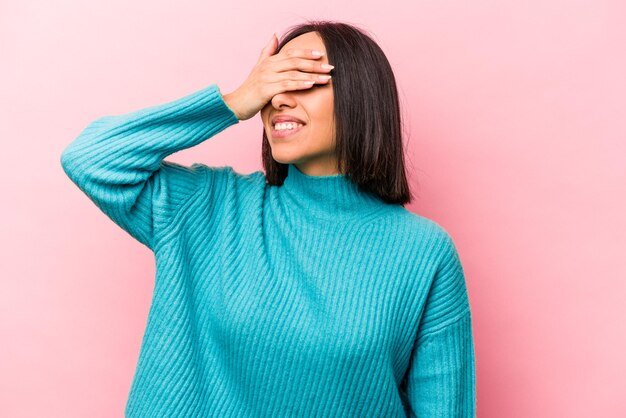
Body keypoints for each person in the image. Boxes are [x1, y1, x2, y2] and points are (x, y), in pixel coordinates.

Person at [60, 20, 476, 418]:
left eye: (301, 78)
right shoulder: (210, 207)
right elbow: (90, 159)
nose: (278, 97)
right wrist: (236, 101)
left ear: (360, 98)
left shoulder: (424, 253)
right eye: (272, 80)